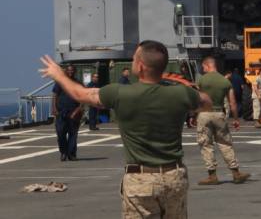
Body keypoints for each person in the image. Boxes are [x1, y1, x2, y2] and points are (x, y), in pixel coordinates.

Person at [40, 41, 211, 218]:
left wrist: (59, 75)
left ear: (141, 66)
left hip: (140, 180)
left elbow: (81, 94)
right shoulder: (181, 94)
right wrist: (177, 86)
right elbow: (206, 102)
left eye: (134, 58)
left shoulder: (120, 93)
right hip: (174, 177)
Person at [195, 56, 249, 185]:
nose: (203, 69)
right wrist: (236, 119)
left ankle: (212, 175)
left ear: (207, 65)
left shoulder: (201, 80)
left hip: (204, 114)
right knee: (225, 143)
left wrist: (193, 115)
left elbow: (197, 99)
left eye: (203, 67)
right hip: (219, 113)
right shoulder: (225, 82)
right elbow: (233, 103)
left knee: (206, 144)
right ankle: (236, 172)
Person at [52, 64, 83, 161]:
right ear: (65, 71)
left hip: (74, 112)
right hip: (61, 112)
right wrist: (54, 108)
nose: (70, 72)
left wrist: (78, 110)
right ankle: (63, 152)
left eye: (72, 70)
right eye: (69, 70)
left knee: (73, 134)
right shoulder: (60, 82)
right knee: (60, 133)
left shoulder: (78, 83)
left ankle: (71, 154)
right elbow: (55, 95)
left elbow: (83, 98)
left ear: (75, 71)